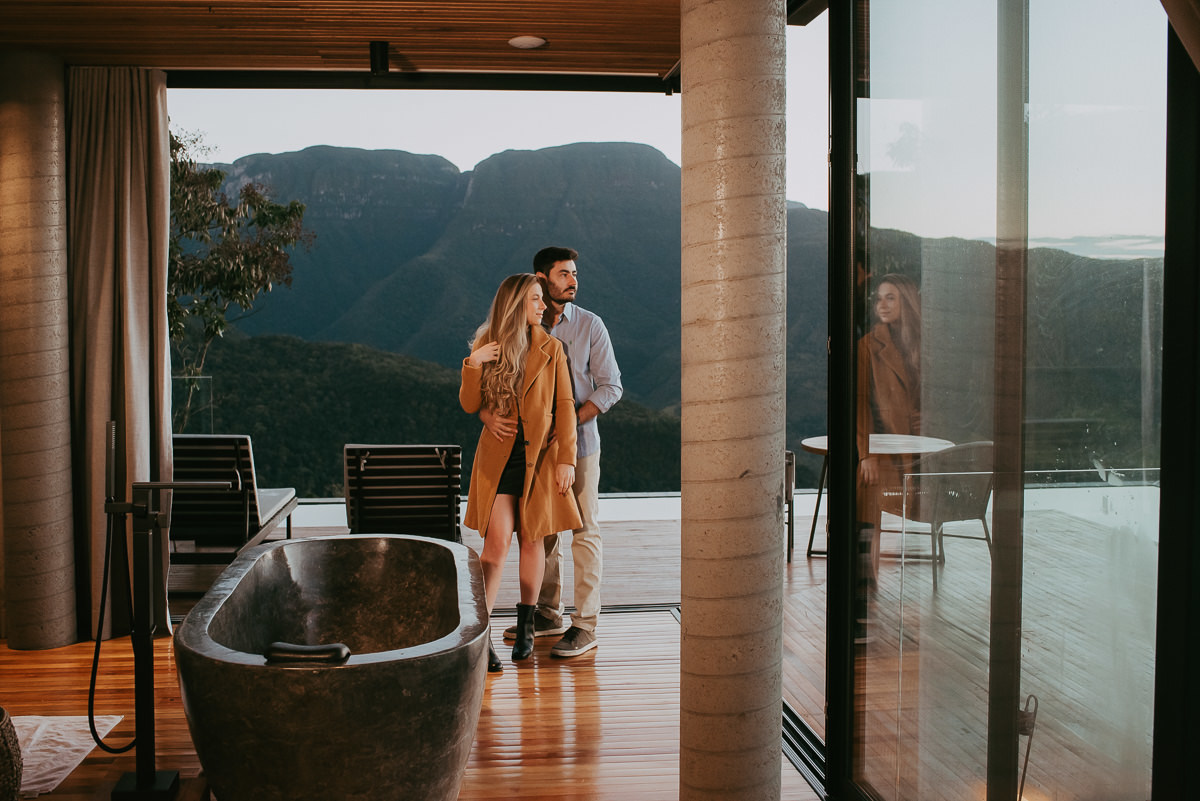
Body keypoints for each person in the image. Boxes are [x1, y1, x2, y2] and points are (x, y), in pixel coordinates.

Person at [487, 247, 622, 658]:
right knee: (541, 533)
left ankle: (585, 624)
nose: (573, 281)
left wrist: (565, 429)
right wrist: (488, 417)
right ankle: (546, 613)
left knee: (583, 531)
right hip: (527, 452)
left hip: (579, 448)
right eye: (564, 274)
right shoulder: (521, 327)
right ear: (542, 280)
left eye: (574, 273)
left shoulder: (590, 327)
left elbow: (610, 387)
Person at [460, 273, 582, 672]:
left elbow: (565, 406)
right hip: (498, 460)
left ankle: (528, 623)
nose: (543, 306)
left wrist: (567, 458)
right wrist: (473, 365)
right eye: (535, 299)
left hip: (541, 461)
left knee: (533, 540)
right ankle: (482, 633)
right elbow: (469, 403)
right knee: (495, 547)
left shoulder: (552, 348)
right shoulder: (487, 345)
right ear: (516, 304)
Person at [856, 272, 922, 581]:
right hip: (885, 449)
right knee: (872, 506)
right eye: (878, 298)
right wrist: (866, 453)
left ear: (905, 301)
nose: (881, 304)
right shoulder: (868, 347)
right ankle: (867, 583)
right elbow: (860, 405)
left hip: (919, 447)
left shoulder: (920, 345)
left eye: (890, 297)